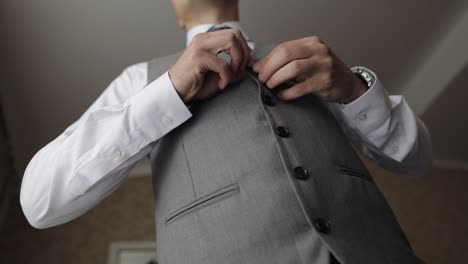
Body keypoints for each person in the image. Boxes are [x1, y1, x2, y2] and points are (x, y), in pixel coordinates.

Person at [20, 0, 432, 263]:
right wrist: (167, 92)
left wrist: (354, 89)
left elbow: (415, 160)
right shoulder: (139, 80)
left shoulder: (317, 63)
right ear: (175, 10)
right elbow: (39, 201)